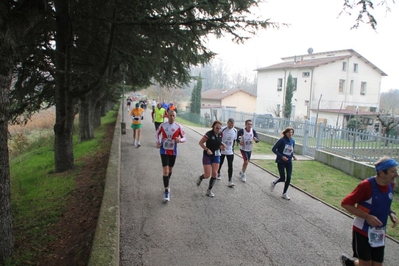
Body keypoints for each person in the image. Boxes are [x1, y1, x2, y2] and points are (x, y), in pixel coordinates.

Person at [340, 157, 398, 266]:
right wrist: (367, 216)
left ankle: (350, 263)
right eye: (393, 171)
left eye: (396, 171)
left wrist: (391, 213)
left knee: (377, 264)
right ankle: (350, 263)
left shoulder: (391, 184)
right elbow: (346, 203)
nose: (396, 174)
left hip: (379, 232)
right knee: (366, 264)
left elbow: (384, 202)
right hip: (363, 230)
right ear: (381, 172)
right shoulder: (366, 185)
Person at [156, 110, 186, 202]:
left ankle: (167, 183)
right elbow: (157, 134)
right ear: (167, 116)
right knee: (165, 170)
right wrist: (157, 142)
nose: (172, 117)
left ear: (175, 117)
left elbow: (185, 138)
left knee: (170, 170)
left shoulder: (179, 126)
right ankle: (166, 191)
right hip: (163, 150)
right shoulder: (163, 125)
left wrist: (179, 140)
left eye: (173, 115)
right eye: (170, 115)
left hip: (173, 151)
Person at [196, 120, 226, 197]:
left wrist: (222, 146)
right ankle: (201, 177)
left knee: (215, 174)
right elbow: (200, 143)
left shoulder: (221, 134)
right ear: (213, 127)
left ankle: (209, 190)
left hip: (216, 155)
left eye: (220, 128)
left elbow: (218, 143)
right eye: (217, 128)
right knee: (207, 175)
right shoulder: (208, 134)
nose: (218, 130)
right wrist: (207, 149)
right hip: (207, 156)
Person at [270, 127, 296, 200]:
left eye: (291, 132)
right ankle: (274, 183)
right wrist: (281, 156)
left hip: (289, 161)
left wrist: (293, 155)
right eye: (289, 132)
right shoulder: (281, 140)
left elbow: (291, 150)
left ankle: (284, 193)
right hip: (281, 161)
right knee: (282, 178)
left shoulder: (293, 141)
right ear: (285, 133)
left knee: (289, 177)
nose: (290, 134)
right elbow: (273, 149)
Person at [217, 118, 237, 187]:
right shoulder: (222, 129)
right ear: (227, 123)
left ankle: (230, 181)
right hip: (222, 150)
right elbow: (218, 138)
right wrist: (220, 146)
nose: (231, 126)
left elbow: (234, 140)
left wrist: (232, 149)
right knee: (220, 163)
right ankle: (218, 172)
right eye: (230, 125)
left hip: (230, 151)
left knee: (230, 165)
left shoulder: (235, 130)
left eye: (232, 125)